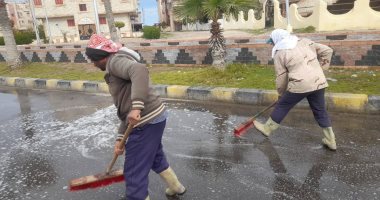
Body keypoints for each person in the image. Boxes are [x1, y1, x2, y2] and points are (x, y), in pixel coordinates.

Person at [85, 34, 186, 200]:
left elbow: (139, 70)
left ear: (100, 57)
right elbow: (126, 110)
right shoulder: (114, 64)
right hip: (155, 117)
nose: (93, 64)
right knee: (154, 155)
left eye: (93, 60)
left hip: (146, 121)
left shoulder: (115, 62)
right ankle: (176, 187)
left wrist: (137, 106)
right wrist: (120, 139)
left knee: (134, 169)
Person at [254, 29, 337, 150]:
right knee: (320, 110)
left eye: (272, 41)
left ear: (277, 39)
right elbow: (327, 50)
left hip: (300, 84)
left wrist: (281, 94)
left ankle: (267, 129)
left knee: (282, 105)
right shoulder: (305, 42)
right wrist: (321, 68)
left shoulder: (280, 53)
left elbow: (281, 77)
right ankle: (331, 140)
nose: (272, 44)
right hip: (318, 82)